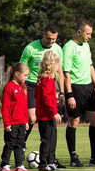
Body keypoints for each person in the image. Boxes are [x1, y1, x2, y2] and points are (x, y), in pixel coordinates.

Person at [19, 24, 65, 157]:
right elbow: (21, 68)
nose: (51, 41)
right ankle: (21, 145)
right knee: (32, 118)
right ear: (42, 34)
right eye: (48, 38)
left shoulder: (58, 49)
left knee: (52, 120)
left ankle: (52, 157)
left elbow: (60, 72)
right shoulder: (30, 48)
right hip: (31, 85)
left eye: (54, 39)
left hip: (48, 84)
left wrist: (62, 92)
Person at [62, 19, 95, 167]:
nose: (89, 36)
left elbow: (91, 66)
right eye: (88, 33)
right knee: (74, 122)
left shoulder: (86, 45)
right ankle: (73, 157)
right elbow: (66, 73)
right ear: (79, 32)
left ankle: (94, 156)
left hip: (88, 88)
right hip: (76, 88)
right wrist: (70, 94)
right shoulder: (69, 47)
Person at [0, 63, 31, 171]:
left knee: (20, 143)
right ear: (17, 74)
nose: (26, 78)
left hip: (21, 121)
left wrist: (26, 120)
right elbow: (5, 106)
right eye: (25, 75)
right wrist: (7, 123)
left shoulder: (22, 87)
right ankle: (5, 165)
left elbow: (24, 106)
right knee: (10, 144)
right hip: (12, 122)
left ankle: (19, 165)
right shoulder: (9, 87)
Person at [35, 51, 63, 171]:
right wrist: (53, 112)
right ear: (52, 64)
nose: (58, 67)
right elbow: (47, 99)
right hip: (46, 116)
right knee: (46, 140)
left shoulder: (44, 79)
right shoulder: (47, 80)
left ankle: (50, 161)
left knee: (52, 138)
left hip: (46, 115)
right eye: (57, 64)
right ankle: (43, 163)